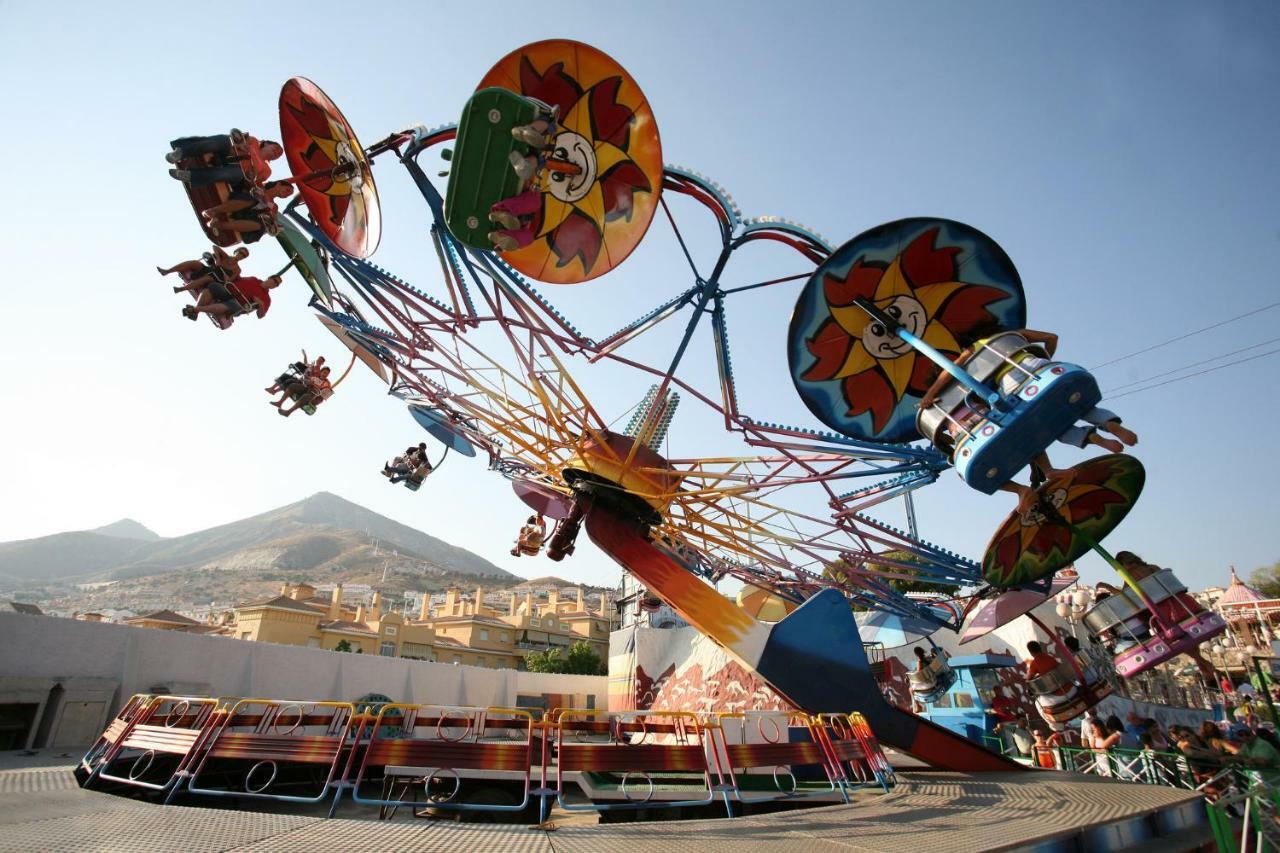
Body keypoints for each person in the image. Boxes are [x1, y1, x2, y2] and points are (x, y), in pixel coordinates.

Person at [168, 133, 284, 189]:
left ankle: (190, 176)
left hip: (236, 172)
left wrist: (251, 175)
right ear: (267, 143)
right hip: (227, 153)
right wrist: (242, 145)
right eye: (277, 148)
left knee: (235, 173)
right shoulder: (253, 141)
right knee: (223, 140)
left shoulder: (267, 170)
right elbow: (235, 138)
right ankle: (181, 153)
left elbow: (252, 184)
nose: (278, 152)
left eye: (279, 154)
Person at [158, 245, 248, 289]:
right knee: (195, 263)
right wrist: (218, 260)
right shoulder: (226, 257)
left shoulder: (237, 269)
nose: (241, 255)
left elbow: (229, 281)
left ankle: (181, 289)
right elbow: (215, 247)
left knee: (208, 277)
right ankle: (167, 271)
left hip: (215, 278)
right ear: (236, 251)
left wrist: (227, 278)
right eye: (240, 252)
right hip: (210, 270)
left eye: (244, 255)